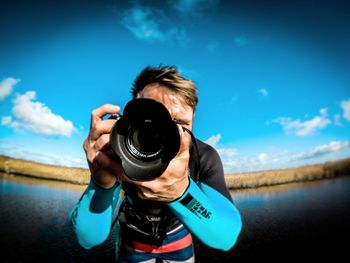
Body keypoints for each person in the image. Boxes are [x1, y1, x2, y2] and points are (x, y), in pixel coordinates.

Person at [69, 65, 242, 262]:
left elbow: (226, 238)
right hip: (134, 239)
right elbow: (88, 238)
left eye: (179, 123)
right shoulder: (120, 148)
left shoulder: (203, 156)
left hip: (178, 238)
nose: (163, 133)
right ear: (130, 115)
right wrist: (101, 183)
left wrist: (180, 193)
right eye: (153, 117)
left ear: (192, 122)